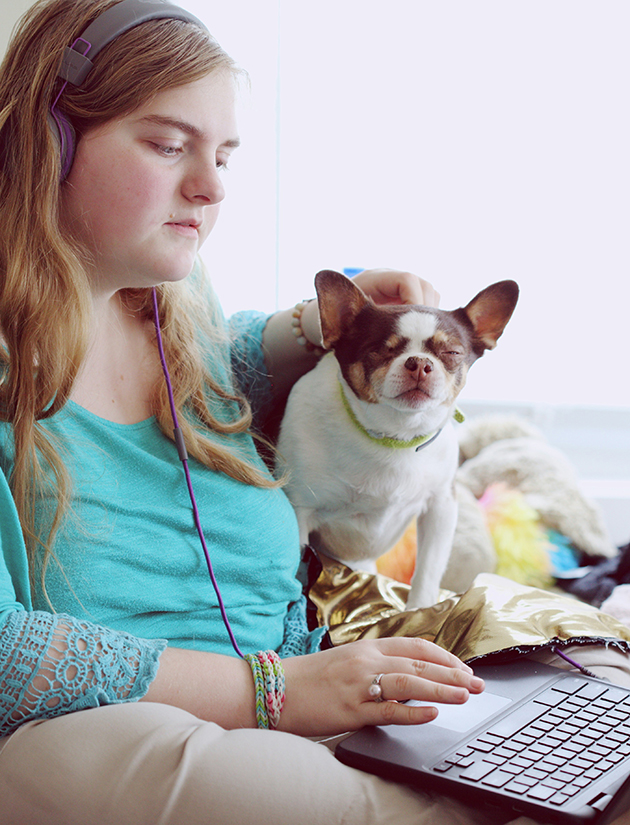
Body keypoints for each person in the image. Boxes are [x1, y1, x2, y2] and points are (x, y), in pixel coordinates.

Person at [0, 2, 628, 824]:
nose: (213, 185)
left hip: (303, 690)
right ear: (47, 142)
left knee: (591, 690)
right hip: (110, 731)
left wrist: (318, 325)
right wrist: (278, 691)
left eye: (225, 154)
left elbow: (221, 372)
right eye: (168, 144)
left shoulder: (170, 303)